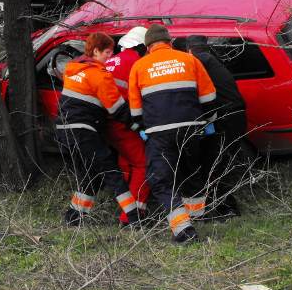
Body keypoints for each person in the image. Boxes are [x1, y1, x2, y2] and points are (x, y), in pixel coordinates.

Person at [128, 24, 217, 244]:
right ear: (169, 42)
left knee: (162, 181)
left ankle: (184, 230)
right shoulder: (190, 60)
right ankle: (197, 218)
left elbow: (135, 111)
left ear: (148, 47)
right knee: (191, 173)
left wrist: (141, 129)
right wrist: (207, 123)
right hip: (191, 128)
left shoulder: (139, 67)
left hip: (159, 133)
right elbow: (209, 98)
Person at [56, 32, 140, 227]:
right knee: (112, 172)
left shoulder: (73, 69)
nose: (110, 57)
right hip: (83, 130)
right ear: (96, 51)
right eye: (108, 52)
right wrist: (138, 126)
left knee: (90, 176)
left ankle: (73, 217)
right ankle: (135, 219)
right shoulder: (100, 75)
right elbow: (117, 109)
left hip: (63, 129)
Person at [184, 35, 248, 219]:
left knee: (215, 164)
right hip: (234, 115)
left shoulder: (200, 61)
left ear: (189, 50)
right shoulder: (210, 59)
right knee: (219, 162)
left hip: (227, 118)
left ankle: (228, 209)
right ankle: (223, 206)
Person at [103, 26, 150, 223]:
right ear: (141, 46)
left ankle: (124, 205)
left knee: (126, 161)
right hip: (121, 122)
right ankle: (133, 215)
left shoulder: (110, 61)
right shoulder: (137, 62)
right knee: (144, 164)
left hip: (104, 121)